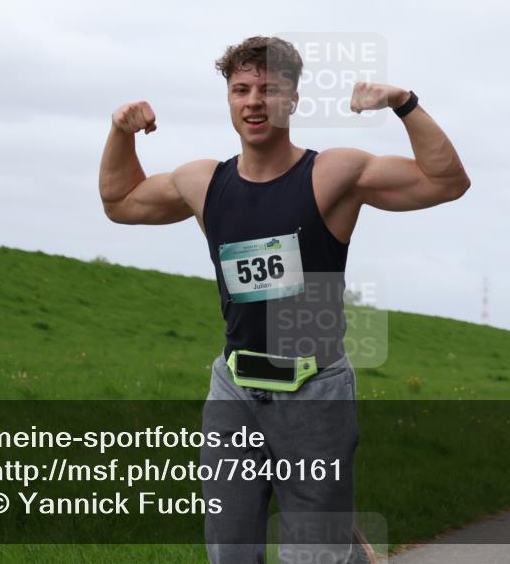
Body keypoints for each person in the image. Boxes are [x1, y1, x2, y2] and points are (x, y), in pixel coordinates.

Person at [98, 36, 470, 563]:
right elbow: (120, 201)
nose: (254, 100)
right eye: (241, 89)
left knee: (313, 556)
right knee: (229, 552)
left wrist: (403, 103)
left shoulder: (332, 174)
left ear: (292, 100)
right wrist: (120, 133)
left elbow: (447, 181)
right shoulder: (203, 182)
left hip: (315, 389)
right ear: (229, 99)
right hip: (235, 389)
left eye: (269, 89)